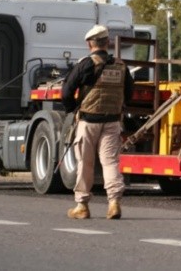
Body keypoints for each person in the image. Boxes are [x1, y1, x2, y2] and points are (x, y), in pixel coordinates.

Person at [62, 24, 134, 220]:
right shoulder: (121, 66)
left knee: (85, 163)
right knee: (110, 162)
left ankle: (82, 206)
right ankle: (114, 203)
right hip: (112, 122)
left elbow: (66, 92)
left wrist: (71, 109)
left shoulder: (85, 65)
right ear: (107, 43)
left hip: (88, 122)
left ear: (89, 44)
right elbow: (129, 94)